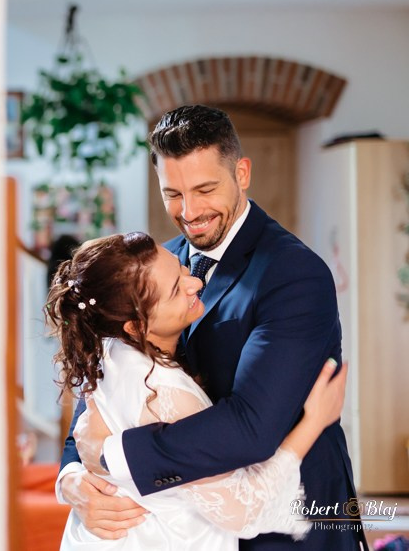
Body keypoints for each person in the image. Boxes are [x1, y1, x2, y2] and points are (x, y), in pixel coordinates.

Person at [56, 105, 365, 550]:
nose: (190, 211)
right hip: (189, 527)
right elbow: (97, 390)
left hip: (288, 525)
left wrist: (111, 457)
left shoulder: (293, 274)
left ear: (241, 173)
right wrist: (73, 479)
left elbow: (251, 428)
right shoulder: (153, 265)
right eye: (173, 193)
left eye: (205, 189)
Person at [46, 232, 347, 549]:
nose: (196, 284)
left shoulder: (109, 347)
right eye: (176, 290)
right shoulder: (163, 392)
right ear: (134, 325)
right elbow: (242, 510)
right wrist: (315, 420)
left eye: (182, 270)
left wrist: (92, 464)